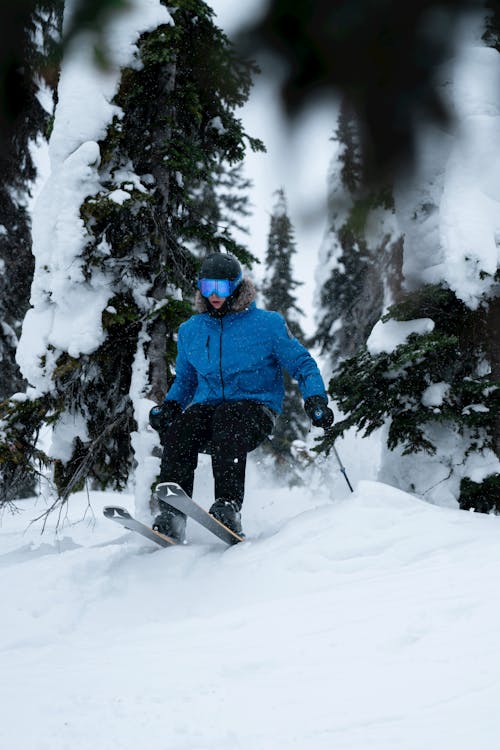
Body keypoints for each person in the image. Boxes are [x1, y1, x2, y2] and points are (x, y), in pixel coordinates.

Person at [149, 252, 333, 541]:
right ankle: (172, 515)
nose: (214, 296)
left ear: (236, 286)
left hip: (254, 408)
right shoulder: (191, 331)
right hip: (208, 408)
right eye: (207, 287)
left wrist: (315, 398)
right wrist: (171, 406)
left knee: (229, 418)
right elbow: (186, 379)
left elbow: (303, 364)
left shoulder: (267, 325)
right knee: (181, 429)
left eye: (221, 288)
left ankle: (228, 506)